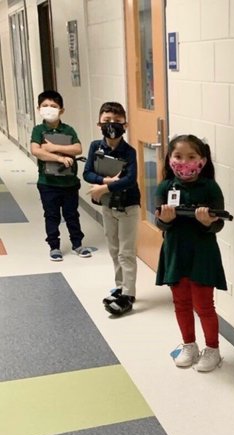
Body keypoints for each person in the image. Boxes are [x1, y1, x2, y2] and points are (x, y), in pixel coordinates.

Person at [155, 133, 227, 373]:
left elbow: (218, 224)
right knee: (181, 303)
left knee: (204, 305)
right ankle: (189, 345)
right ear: (169, 159)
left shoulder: (210, 187)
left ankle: (213, 349)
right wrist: (164, 220)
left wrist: (207, 222)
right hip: (175, 252)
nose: (184, 162)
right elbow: (161, 224)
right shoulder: (165, 186)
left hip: (202, 254)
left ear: (202, 160)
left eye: (191, 157)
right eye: (178, 156)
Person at [82, 101, 140, 317]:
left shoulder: (129, 151)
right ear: (99, 123)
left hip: (128, 207)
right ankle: (120, 287)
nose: (112, 125)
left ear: (125, 124)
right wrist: (104, 180)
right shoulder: (95, 147)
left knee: (126, 252)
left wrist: (104, 187)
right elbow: (87, 173)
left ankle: (129, 294)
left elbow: (130, 180)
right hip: (108, 206)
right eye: (107, 121)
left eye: (117, 121)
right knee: (114, 249)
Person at [29, 90, 91, 261]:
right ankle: (54, 246)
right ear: (39, 108)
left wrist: (52, 148)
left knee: (72, 214)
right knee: (52, 215)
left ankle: (77, 244)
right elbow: (37, 151)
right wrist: (59, 158)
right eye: (45, 106)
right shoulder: (38, 130)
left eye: (54, 106)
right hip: (47, 183)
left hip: (69, 182)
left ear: (61, 110)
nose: (49, 109)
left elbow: (77, 149)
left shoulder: (68, 130)